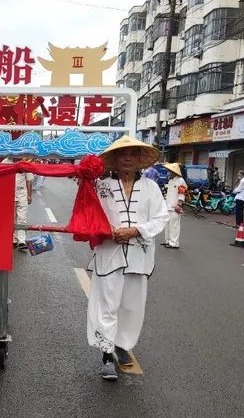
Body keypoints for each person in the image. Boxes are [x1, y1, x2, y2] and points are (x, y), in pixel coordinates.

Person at [86, 135, 169, 381]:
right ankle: (106, 353)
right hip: (109, 253)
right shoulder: (101, 186)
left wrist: (135, 230)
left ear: (140, 159)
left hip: (139, 255)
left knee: (132, 306)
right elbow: (91, 215)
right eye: (123, 154)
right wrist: (108, 230)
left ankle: (122, 344)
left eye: (133, 154)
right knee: (108, 305)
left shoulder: (151, 187)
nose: (128, 158)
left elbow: (161, 217)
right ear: (114, 158)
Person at [3, 158, 33, 250]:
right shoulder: (5, 162)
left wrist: (29, 195)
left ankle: (21, 241)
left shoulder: (25, 163)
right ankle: (13, 239)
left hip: (22, 193)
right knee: (11, 218)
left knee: (22, 218)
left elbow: (29, 180)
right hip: (9, 193)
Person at [161, 163, 187, 249]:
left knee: (174, 225)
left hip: (175, 206)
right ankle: (167, 240)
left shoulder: (180, 180)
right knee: (167, 225)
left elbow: (182, 193)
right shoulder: (170, 180)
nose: (169, 172)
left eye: (170, 171)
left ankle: (174, 243)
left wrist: (179, 205)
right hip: (168, 206)